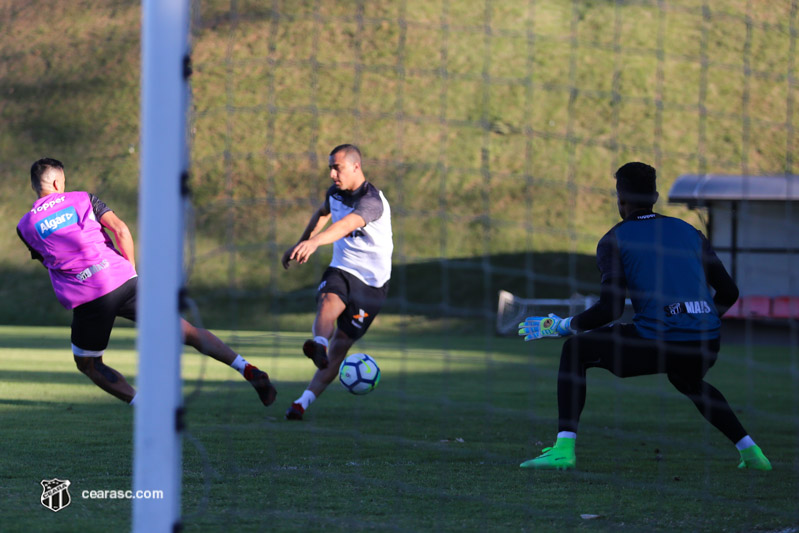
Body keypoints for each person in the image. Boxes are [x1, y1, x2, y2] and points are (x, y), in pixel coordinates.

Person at [517, 162, 772, 471]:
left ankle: (563, 450)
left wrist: (563, 326)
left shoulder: (615, 239)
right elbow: (729, 293)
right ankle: (752, 453)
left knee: (575, 350)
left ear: (619, 198)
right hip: (706, 343)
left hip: (657, 342)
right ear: (655, 195)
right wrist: (700, 320)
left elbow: (610, 309)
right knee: (687, 379)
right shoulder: (689, 232)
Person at [16, 158, 276, 407]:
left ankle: (148, 407)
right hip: (123, 278)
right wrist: (131, 272)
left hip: (89, 296)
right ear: (59, 183)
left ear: (35, 185)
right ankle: (247, 368)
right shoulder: (83, 198)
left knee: (89, 365)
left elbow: (48, 259)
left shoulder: (25, 226)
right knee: (185, 331)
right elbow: (121, 230)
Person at [281, 144, 393, 420]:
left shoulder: (372, 201)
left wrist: (316, 242)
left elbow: (345, 225)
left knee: (342, 344)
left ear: (356, 166)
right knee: (328, 300)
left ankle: (303, 402)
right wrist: (302, 242)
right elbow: (322, 213)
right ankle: (318, 342)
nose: (332, 174)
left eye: (337, 167)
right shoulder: (334, 193)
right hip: (343, 268)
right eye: (330, 167)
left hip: (372, 284)